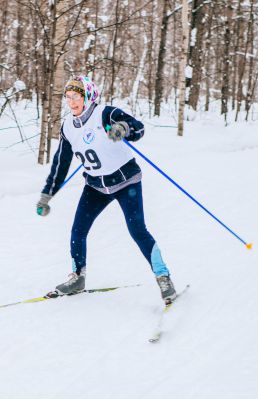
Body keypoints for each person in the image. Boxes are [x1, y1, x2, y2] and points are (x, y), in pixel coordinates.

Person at [35, 75, 177, 304]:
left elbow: (138, 129)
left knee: (137, 230)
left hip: (126, 182)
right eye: (68, 97)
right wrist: (46, 195)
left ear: (88, 96)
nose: (72, 103)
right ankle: (78, 277)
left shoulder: (105, 113)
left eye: (76, 97)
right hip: (96, 186)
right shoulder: (68, 127)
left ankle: (163, 276)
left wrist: (123, 128)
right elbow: (61, 163)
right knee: (77, 231)